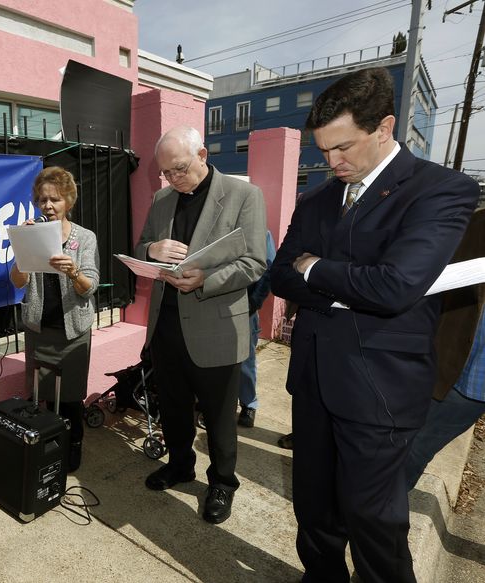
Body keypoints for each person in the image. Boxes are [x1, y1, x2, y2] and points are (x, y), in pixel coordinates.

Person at [270, 67, 479, 583]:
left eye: (343, 147)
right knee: (313, 511)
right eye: (322, 150)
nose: (331, 161)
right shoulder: (317, 199)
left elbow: (396, 286)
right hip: (315, 380)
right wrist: (343, 288)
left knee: (374, 524)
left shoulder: (440, 189)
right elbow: (278, 275)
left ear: (385, 127)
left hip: (379, 389)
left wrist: (315, 269)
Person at [135, 125, 267, 524]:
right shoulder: (161, 200)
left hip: (216, 327)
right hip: (167, 325)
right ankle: (180, 465)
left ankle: (223, 483)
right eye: (166, 173)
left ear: (203, 155)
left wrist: (206, 280)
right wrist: (152, 249)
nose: (173, 179)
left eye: (179, 169)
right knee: (174, 407)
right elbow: (141, 246)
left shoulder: (245, 195)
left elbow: (254, 263)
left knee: (220, 415)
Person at [9, 165, 99, 472]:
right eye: (43, 199)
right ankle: (46, 446)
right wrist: (23, 247)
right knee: (40, 395)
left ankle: (74, 446)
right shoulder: (31, 232)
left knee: (72, 399)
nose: (48, 205)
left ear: (68, 202)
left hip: (73, 332)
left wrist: (72, 270)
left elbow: (90, 286)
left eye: (56, 199)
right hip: (39, 329)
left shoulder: (84, 238)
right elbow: (18, 282)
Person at [405, 207, 485, 491]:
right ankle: (374, 515)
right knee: (411, 447)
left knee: (413, 448)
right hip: (456, 369)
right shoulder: (476, 223)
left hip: (473, 382)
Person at [237, 229, 276, 428]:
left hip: (246, 307)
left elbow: (269, 270)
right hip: (215, 307)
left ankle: (248, 404)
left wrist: (254, 303)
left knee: (245, 359)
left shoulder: (261, 232)